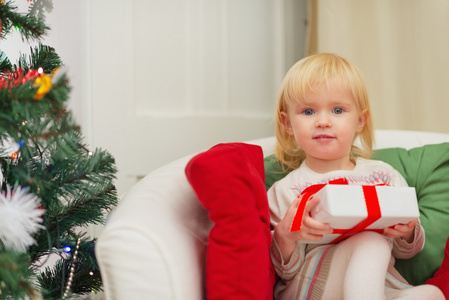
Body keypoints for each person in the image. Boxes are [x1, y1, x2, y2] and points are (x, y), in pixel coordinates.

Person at [268, 53, 444, 300]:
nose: (323, 121)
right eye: (308, 111)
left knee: (431, 294)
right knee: (370, 241)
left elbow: (409, 251)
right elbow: (284, 271)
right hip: (314, 287)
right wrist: (285, 236)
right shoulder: (287, 190)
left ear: (360, 120)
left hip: (378, 285)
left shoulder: (383, 175)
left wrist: (407, 232)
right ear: (288, 124)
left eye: (337, 110)